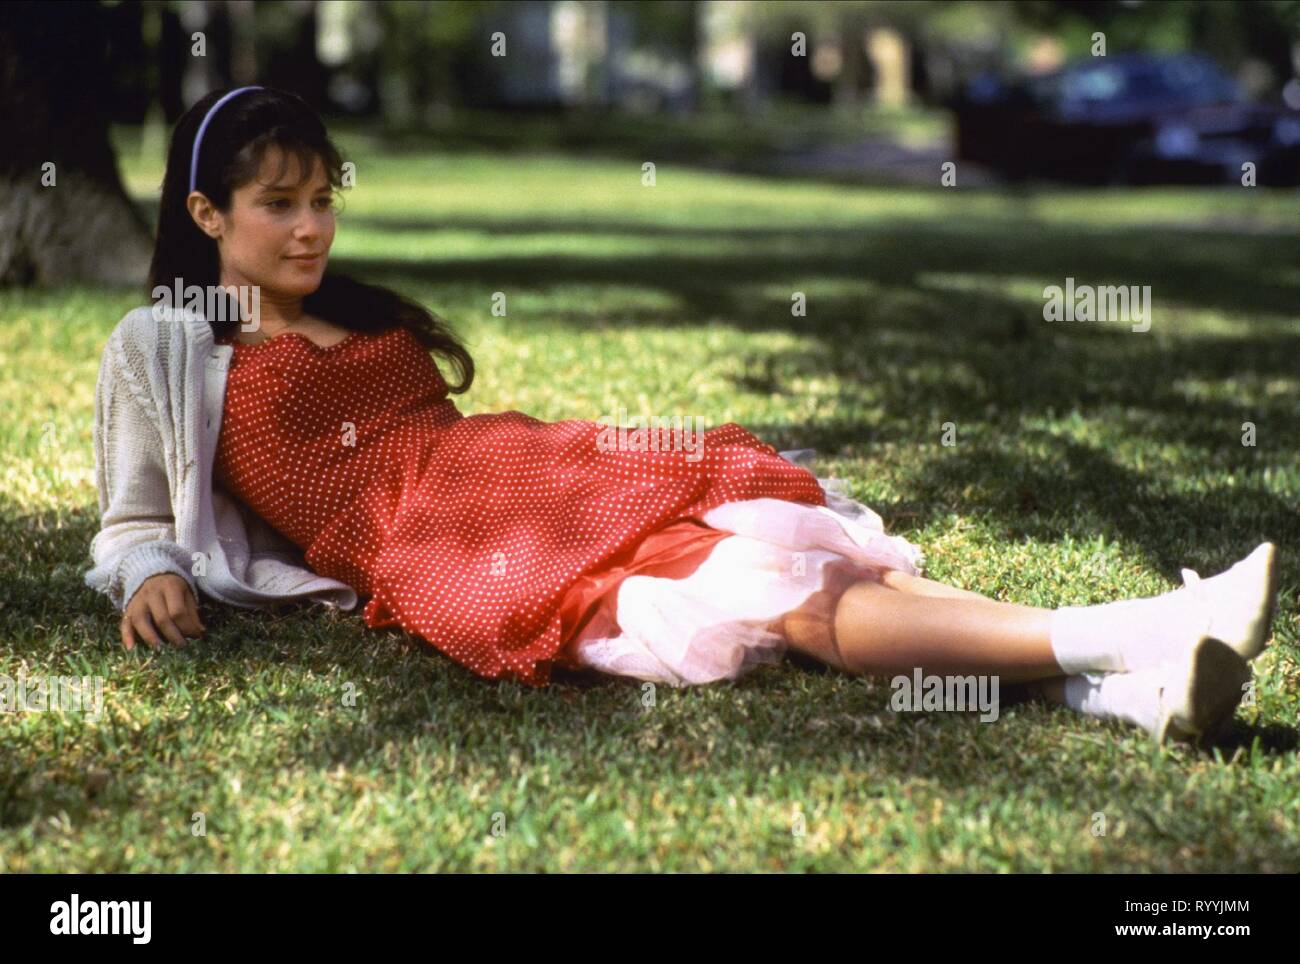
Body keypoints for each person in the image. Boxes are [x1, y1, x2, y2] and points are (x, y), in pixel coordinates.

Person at [85, 87, 1280, 746]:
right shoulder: (167, 349)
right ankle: (1136, 626)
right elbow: (134, 512)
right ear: (203, 212)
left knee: (795, 549)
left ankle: (1122, 686)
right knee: (796, 605)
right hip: (452, 550)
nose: (311, 228)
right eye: (277, 205)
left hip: (524, 468)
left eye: (322, 201)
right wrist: (146, 570)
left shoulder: (343, 309)